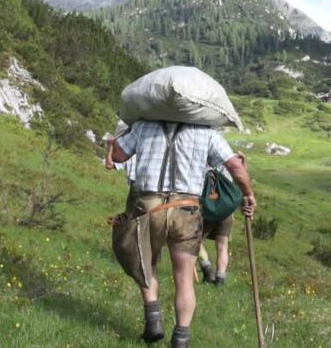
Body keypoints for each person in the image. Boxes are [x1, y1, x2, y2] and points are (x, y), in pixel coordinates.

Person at [110, 121, 256, 348]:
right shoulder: (206, 133)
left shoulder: (144, 126)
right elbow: (235, 167)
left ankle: (153, 321)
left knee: (147, 263)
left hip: (149, 205)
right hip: (187, 209)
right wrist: (248, 193)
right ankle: (181, 339)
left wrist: (112, 145)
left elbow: (118, 157)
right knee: (184, 276)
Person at [197, 164, 239, 286]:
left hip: (208, 210)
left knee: (195, 240)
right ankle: (220, 280)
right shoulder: (228, 162)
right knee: (222, 246)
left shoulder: (203, 162)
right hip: (226, 211)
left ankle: (207, 268)